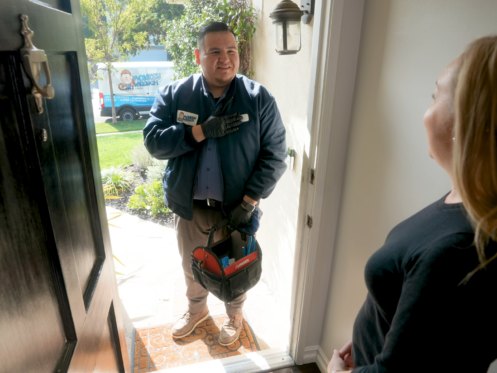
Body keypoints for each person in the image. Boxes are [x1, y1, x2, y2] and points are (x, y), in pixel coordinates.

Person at [328, 36, 497, 373]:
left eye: (435, 96)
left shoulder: (456, 251)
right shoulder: (469, 204)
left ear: (464, 121)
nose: (426, 111)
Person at [143, 21, 287, 346]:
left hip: (235, 210)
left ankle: (234, 314)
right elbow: (153, 142)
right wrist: (200, 131)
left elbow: (275, 155)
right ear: (198, 55)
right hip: (190, 208)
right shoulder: (176, 94)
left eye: (232, 51)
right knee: (192, 264)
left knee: (236, 268)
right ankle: (197, 311)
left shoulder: (258, 98)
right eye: (215, 51)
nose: (226, 58)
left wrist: (249, 203)